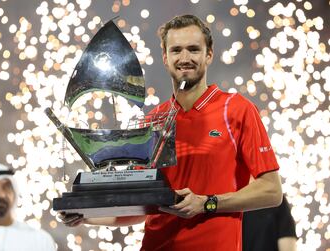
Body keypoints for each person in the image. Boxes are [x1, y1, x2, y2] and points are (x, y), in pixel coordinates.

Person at [59, 14, 283, 251]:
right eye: (176, 50)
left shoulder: (237, 110)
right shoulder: (152, 121)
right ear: (165, 58)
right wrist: (84, 215)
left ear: (209, 55)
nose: (185, 58)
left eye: (193, 50)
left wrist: (207, 203)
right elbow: (142, 206)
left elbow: (271, 190)